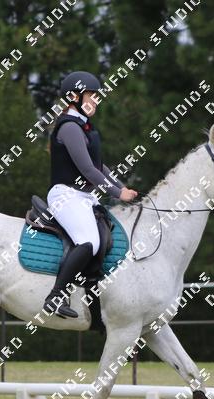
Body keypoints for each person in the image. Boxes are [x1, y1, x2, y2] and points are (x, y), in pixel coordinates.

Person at [42, 70, 138, 318]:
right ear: (74, 97)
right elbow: (86, 169)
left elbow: (99, 167)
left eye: (97, 96)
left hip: (85, 196)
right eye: (91, 95)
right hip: (66, 195)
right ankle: (55, 297)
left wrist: (122, 188)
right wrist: (117, 193)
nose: (96, 100)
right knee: (89, 241)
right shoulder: (69, 128)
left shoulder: (84, 127)